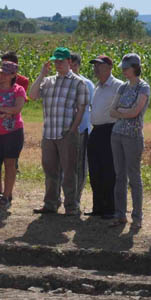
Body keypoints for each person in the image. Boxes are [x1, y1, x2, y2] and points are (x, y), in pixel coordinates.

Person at [30, 47, 88, 216]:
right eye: (56, 61)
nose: (58, 64)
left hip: (66, 134)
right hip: (49, 133)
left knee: (70, 171)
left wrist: (72, 130)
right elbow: (32, 95)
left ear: (69, 62)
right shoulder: (47, 81)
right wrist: (41, 74)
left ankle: (71, 205)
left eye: (61, 61)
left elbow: (81, 108)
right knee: (50, 170)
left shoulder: (78, 83)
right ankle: (51, 203)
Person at [108, 53, 150, 228]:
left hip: (133, 136)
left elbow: (135, 112)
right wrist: (126, 111)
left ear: (135, 68)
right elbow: (111, 110)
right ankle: (120, 214)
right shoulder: (123, 87)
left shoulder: (143, 87)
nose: (124, 71)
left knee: (134, 176)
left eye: (127, 68)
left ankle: (137, 217)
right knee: (120, 176)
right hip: (117, 134)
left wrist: (122, 111)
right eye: (123, 68)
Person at [0, 59, 27, 209]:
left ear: (13, 75)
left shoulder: (19, 89)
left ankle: (6, 195)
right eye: (1, 73)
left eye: (6, 74)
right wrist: (1, 113)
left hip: (13, 132)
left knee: (10, 164)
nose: (2, 76)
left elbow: (17, 109)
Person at [86, 54, 121, 218]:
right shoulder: (97, 87)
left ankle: (110, 208)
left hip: (110, 130)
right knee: (95, 170)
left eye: (99, 65)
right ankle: (98, 207)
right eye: (95, 66)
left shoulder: (118, 86)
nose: (96, 68)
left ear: (109, 67)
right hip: (96, 130)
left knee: (108, 170)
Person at [69, 53, 95, 204]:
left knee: (80, 165)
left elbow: (89, 107)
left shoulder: (87, 84)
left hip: (82, 129)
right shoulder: (60, 82)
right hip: (63, 130)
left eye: (74, 65)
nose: (71, 68)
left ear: (78, 66)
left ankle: (76, 198)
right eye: (69, 64)